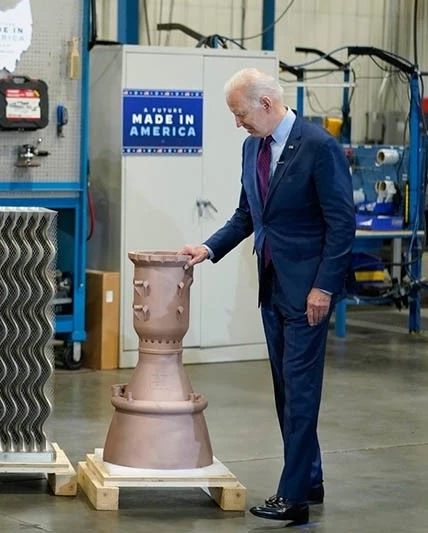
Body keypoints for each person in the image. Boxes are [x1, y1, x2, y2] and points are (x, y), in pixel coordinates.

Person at [180, 68, 354, 525]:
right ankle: (309, 478)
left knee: (300, 391)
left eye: (240, 114)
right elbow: (247, 215)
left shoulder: (319, 147)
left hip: (309, 291)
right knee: (286, 390)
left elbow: (342, 224)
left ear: (265, 103)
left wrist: (324, 286)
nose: (237, 123)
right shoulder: (252, 147)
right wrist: (208, 248)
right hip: (273, 285)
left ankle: (293, 497)